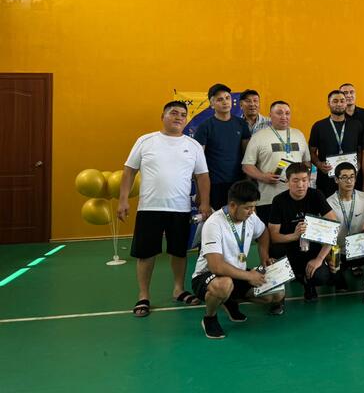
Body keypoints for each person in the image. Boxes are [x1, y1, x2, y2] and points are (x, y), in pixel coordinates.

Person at [117, 101, 211, 318]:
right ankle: (143, 295)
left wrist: (205, 202)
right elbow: (129, 171)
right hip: (149, 208)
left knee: (179, 251)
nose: (179, 117)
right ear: (163, 116)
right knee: (146, 253)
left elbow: (202, 176)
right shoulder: (145, 141)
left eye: (183, 114)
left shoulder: (193, 145)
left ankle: (178, 289)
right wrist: (123, 200)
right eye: (173, 113)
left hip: (180, 209)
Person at [191, 180, 286, 339]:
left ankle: (229, 300)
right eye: (248, 208)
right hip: (207, 276)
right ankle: (209, 318)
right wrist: (250, 276)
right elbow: (216, 266)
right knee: (224, 285)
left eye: (254, 207)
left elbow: (263, 233)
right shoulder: (214, 223)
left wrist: (264, 257)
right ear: (233, 205)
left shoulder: (251, 217)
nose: (251, 211)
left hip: (237, 274)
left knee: (274, 295)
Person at [268, 163, 337, 302]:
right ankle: (280, 294)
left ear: (309, 180)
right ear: (287, 182)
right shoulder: (279, 201)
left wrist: (319, 259)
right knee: (275, 254)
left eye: (304, 180)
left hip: (312, 246)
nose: (300, 185)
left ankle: (308, 282)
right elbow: (274, 237)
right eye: (295, 180)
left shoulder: (316, 195)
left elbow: (334, 227)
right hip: (288, 247)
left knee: (322, 276)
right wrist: (294, 236)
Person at [242, 100, 311, 223]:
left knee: (299, 231)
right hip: (269, 199)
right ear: (270, 115)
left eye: (287, 113)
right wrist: (263, 176)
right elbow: (246, 166)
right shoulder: (259, 136)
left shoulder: (299, 134)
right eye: (279, 113)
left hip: (298, 197)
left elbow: (307, 163)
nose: (284, 116)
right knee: (272, 233)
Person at [326, 162, 364, 303]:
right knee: (333, 279)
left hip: (361, 248)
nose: (349, 181)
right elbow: (325, 235)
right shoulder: (328, 203)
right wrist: (328, 257)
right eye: (344, 177)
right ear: (336, 179)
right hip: (340, 252)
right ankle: (338, 276)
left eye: (352, 177)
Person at [193, 83, 251, 210]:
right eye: (220, 99)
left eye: (227, 98)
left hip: (238, 184)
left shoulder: (241, 124)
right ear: (211, 104)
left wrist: (248, 182)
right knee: (217, 219)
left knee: (238, 219)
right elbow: (197, 163)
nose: (225, 102)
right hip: (214, 185)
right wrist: (200, 193)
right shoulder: (205, 127)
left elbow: (248, 157)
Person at [309, 90, 363, 195]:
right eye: (335, 101)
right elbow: (311, 152)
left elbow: (361, 149)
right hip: (327, 179)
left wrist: (359, 163)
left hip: (350, 179)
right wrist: (319, 164)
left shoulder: (356, 125)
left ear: (346, 103)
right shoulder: (318, 126)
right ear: (328, 104)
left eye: (342, 101)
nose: (339, 104)